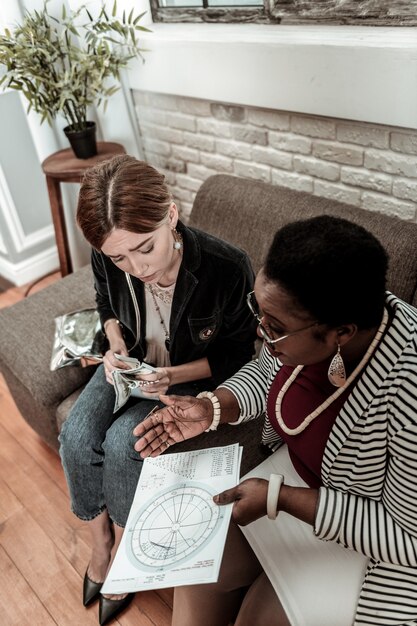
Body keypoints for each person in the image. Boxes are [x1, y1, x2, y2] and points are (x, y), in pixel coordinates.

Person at [134, 215, 417, 626]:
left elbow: (407, 537)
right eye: (259, 311)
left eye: (275, 327)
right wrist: (212, 408)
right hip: (291, 482)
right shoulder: (309, 316)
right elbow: (268, 372)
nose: (260, 330)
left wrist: (279, 498)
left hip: (365, 531)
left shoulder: (407, 388)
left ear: (341, 333)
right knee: (197, 563)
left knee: (254, 620)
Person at [58, 155, 256, 625]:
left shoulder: (228, 267)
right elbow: (106, 300)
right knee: (76, 434)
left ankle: (125, 550)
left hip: (185, 375)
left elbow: (236, 356)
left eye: (144, 249)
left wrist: (172, 376)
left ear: (171, 214)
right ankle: (101, 543)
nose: (136, 266)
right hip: (130, 364)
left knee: (124, 444)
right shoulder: (111, 250)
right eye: (119, 257)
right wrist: (114, 344)